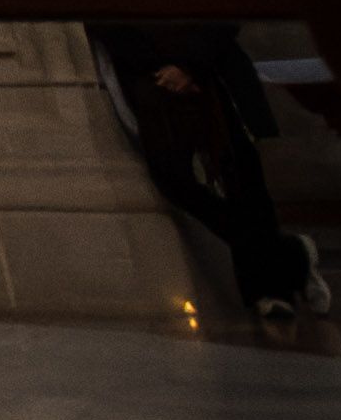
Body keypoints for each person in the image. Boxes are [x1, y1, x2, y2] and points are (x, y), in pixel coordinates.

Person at [90, 21, 328, 318]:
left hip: (212, 68)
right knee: (173, 178)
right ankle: (289, 256)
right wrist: (162, 65)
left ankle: (270, 291)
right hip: (155, 78)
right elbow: (107, 23)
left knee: (242, 177)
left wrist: (190, 65)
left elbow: (223, 14)